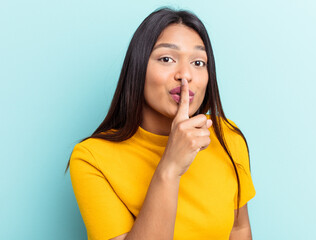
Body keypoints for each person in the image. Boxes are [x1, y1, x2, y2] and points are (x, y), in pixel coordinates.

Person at [65, 6, 256, 240]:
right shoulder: (91, 159)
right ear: (138, 68)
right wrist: (170, 167)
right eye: (167, 59)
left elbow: (239, 229)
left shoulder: (227, 136)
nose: (185, 74)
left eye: (198, 62)